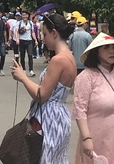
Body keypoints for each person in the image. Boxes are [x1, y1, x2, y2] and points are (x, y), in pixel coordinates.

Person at [11, 12, 76, 164]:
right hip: (59, 115)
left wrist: (22, 77)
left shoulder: (58, 60)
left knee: (44, 159)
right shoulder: (69, 57)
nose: (42, 38)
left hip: (49, 117)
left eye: (44, 34)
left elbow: (41, 94)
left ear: (54, 33)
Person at [74, 33, 114, 164]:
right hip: (96, 141)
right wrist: (86, 139)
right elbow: (80, 110)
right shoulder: (86, 77)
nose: (112, 51)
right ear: (96, 52)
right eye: (106, 47)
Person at [15, 10, 36, 76]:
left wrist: (35, 40)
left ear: (28, 16)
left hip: (29, 40)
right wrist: (17, 39)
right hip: (22, 40)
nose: (24, 16)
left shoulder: (30, 23)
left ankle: (31, 70)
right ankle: (23, 69)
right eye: (23, 15)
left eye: (25, 15)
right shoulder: (19, 23)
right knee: (22, 56)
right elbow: (16, 32)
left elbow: (32, 32)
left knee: (30, 55)